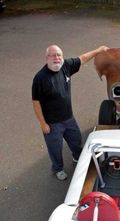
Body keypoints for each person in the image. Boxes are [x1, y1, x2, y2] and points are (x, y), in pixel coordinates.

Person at [32, 44, 109, 180]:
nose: (56, 58)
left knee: (76, 140)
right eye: (53, 55)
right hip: (52, 123)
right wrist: (43, 124)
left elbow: (82, 58)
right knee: (55, 149)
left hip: (68, 118)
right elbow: (36, 102)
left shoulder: (66, 66)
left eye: (59, 55)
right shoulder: (40, 78)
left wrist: (98, 50)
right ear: (47, 58)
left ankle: (77, 157)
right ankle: (58, 169)